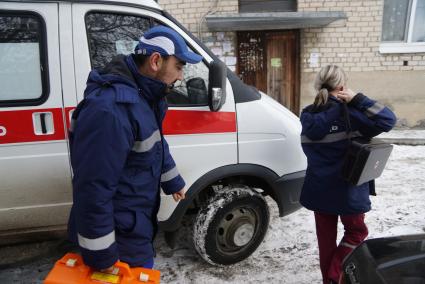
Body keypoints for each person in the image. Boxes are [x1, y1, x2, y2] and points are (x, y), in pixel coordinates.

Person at [67, 25, 203, 271]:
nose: (181, 76)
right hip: (119, 239)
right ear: (155, 61)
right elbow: (92, 189)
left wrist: (173, 181)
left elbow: (154, 144)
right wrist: (102, 258)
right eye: (179, 66)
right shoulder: (110, 111)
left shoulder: (143, 96)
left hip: (135, 224)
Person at [299, 65, 396, 284]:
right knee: (356, 232)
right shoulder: (351, 113)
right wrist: (358, 99)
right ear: (342, 86)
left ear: (318, 86)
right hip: (348, 192)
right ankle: (335, 276)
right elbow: (388, 120)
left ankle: (329, 280)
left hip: (318, 191)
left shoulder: (307, 115)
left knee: (326, 243)